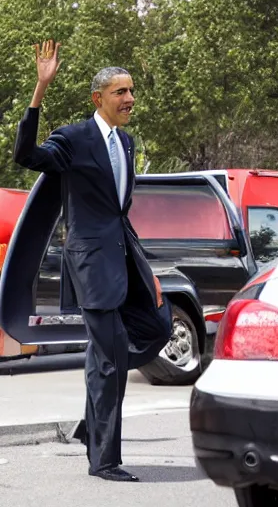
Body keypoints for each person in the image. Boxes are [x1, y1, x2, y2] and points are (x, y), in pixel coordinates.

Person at [13, 40, 172, 482]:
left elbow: (120, 210)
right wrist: (39, 90)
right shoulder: (74, 138)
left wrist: (146, 269)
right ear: (97, 98)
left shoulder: (126, 141)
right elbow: (26, 156)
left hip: (124, 256)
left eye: (132, 90)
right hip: (90, 263)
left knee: (156, 328)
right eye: (120, 91)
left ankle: (90, 424)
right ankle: (104, 460)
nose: (130, 98)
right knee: (108, 357)